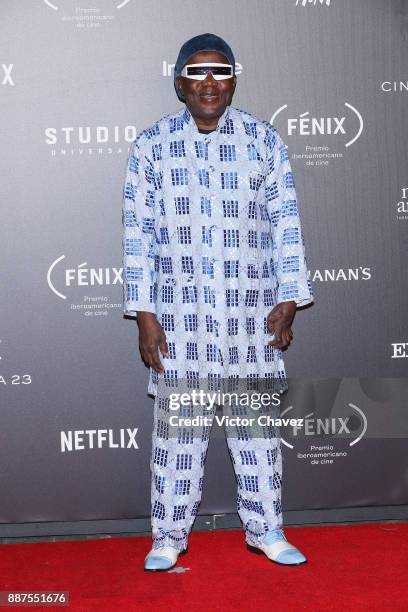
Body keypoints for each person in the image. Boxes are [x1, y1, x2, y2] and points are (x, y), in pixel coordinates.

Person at [122, 33, 314, 571]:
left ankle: (267, 530)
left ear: (233, 80)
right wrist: (143, 314)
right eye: (198, 73)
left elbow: (286, 225)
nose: (210, 83)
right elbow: (137, 237)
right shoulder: (152, 147)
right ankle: (168, 537)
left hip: (250, 319)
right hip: (179, 321)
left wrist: (290, 297)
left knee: (256, 437)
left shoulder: (263, 142)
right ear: (180, 81)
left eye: (220, 72)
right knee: (179, 439)